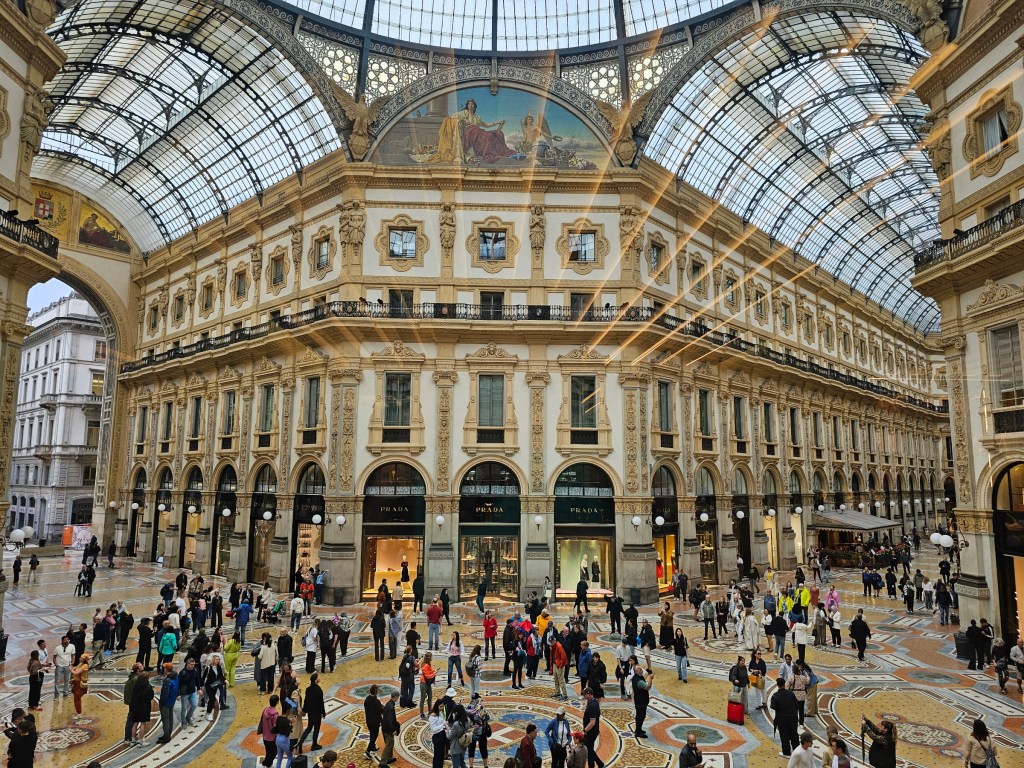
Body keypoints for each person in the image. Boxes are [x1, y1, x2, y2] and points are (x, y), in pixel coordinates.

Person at [770, 677, 800, 757]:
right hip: (793, 717)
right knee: (794, 734)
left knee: (784, 735)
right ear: (784, 684)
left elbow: (772, 707)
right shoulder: (791, 693)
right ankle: (797, 751)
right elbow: (797, 705)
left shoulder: (775, 695)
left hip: (782, 718)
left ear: (777, 685)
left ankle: (786, 753)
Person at [129, 671, 154, 746]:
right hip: (144, 707)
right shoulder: (148, 686)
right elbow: (150, 697)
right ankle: (141, 741)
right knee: (143, 724)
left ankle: (133, 741)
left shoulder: (136, 685)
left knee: (135, 723)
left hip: (135, 706)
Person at [581, 688, 603, 768]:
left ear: (589, 694)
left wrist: (584, 731)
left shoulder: (592, 705)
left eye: (585, 694)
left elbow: (592, 722)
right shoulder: (592, 702)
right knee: (589, 749)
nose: (583, 695)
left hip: (591, 732)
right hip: (592, 731)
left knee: (589, 751)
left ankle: (592, 766)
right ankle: (600, 763)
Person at [157, 663, 179, 743]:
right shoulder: (176, 676)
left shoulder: (167, 680)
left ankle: (166, 736)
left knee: (165, 719)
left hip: (166, 702)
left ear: (166, 669)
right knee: (170, 717)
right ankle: (168, 733)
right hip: (172, 700)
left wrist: (162, 701)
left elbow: (165, 692)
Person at [630, 663, 652, 738]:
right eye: (640, 669)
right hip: (641, 701)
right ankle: (638, 732)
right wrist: (650, 679)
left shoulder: (636, 678)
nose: (642, 670)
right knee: (640, 716)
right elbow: (648, 687)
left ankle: (639, 729)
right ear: (636, 671)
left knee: (640, 716)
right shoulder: (638, 681)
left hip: (639, 700)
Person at [203, 654, 227, 721]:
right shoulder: (208, 668)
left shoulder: (219, 667)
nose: (218, 661)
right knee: (212, 698)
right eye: (217, 659)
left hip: (215, 685)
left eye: (218, 659)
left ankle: (208, 712)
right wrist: (201, 686)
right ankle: (208, 713)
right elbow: (204, 677)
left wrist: (225, 680)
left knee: (212, 699)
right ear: (213, 660)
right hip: (208, 685)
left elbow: (220, 676)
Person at [259, 695, 281, 767]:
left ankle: (266, 763)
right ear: (277, 702)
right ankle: (266, 764)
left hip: (265, 735)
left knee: (268, 751)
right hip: (272, 737)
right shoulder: (275, 714)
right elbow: (276, 726)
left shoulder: (265, 710)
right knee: (274, 752)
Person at [380, 690, 400, 765]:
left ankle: (389, 758)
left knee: (390, 744)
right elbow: (389, 720)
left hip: (385, 728)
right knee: (389, 745)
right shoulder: (391, 706)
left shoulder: (389, 704)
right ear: (395, 697)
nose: (398, 698)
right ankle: (383, 762)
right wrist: (393, 730)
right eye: (398, 696)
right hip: (388, 729)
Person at [427, 701, 448, 768]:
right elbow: (433, 729)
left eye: (442, 706)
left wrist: (446, 725)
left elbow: (443, 721)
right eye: (440, 706)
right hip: (437, 737)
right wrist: (443, 725)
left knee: (441, 755)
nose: (441, 708)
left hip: (442, 735)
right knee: (437, 756)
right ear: (436, 706)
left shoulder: (440, 713)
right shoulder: (432, 716)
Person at [419, 652, 437, 718]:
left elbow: (430, 671)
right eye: (431, 657)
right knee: (423, 698)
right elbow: (428, 676)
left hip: (427, 683)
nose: (432, 658)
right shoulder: (426, 666)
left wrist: (433, 671)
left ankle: (430, 710)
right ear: (429, 658)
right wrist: (434, 673)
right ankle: (421, 713)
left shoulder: (428, 664)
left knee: (430, 696)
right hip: (423, 683)